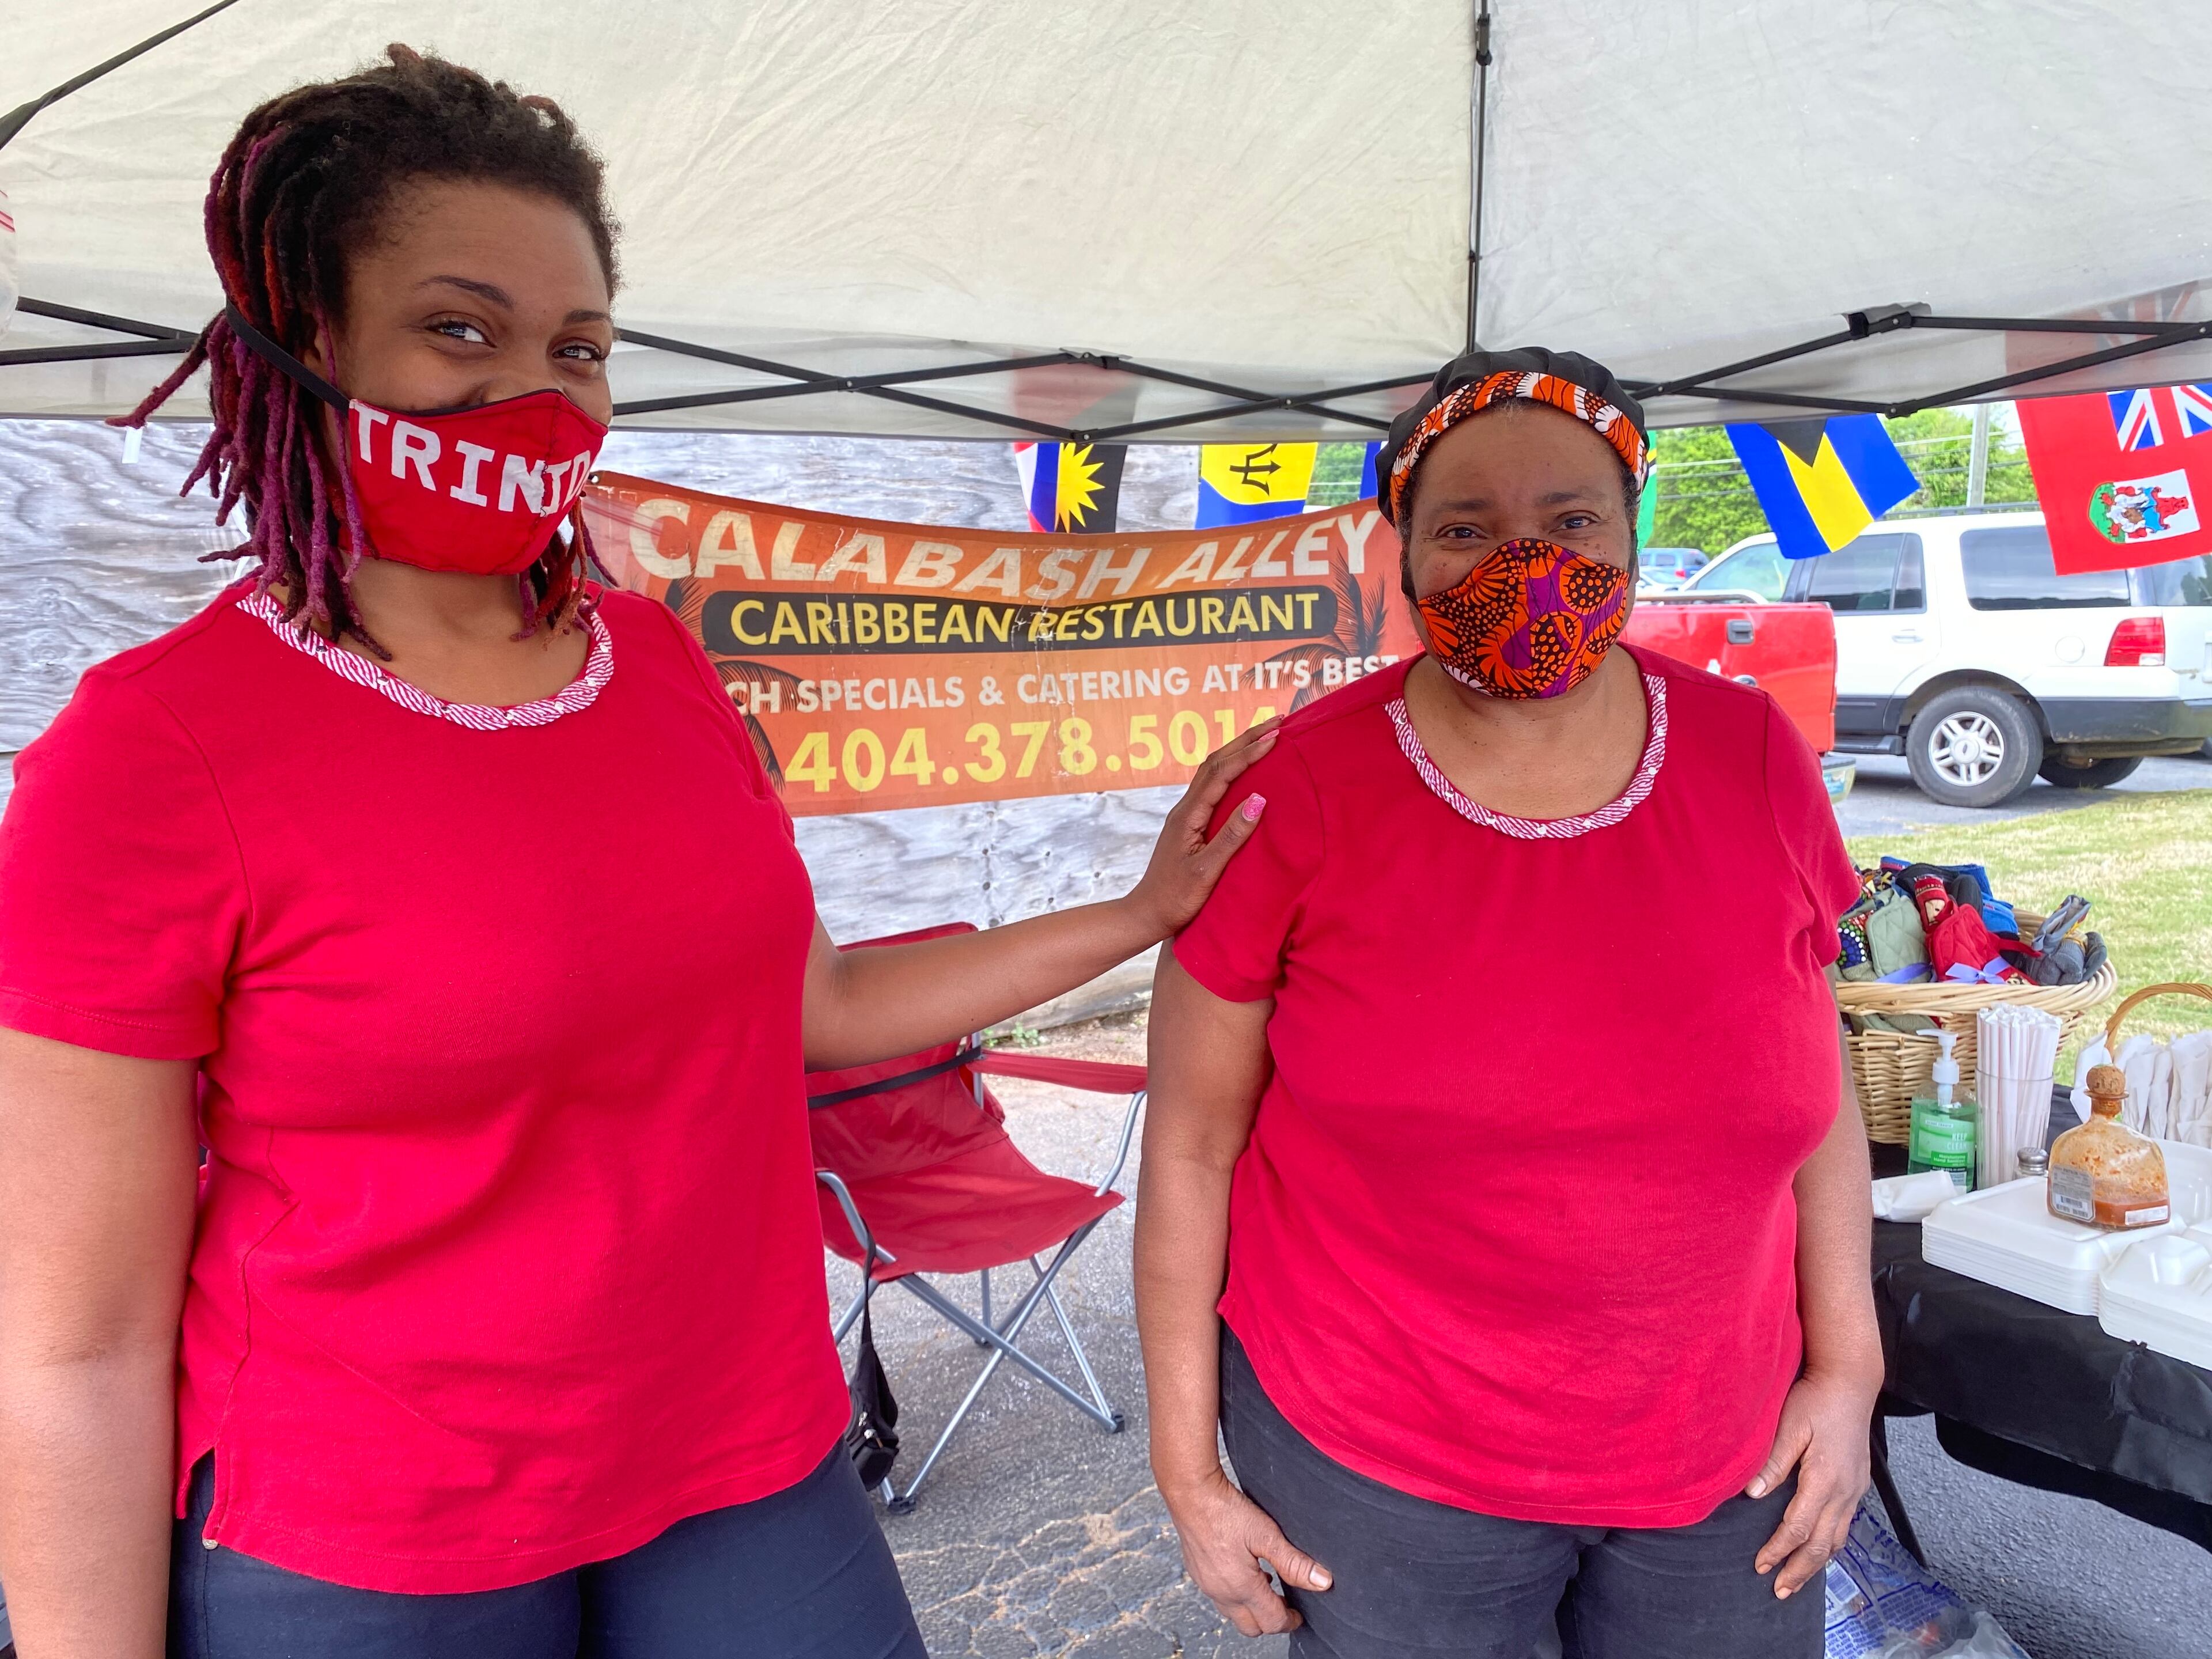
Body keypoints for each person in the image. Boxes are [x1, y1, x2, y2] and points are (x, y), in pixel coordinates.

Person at [0, 49, 1272, 1659]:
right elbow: (76, 1345)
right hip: (370, 1535)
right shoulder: (151, 754)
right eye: (459, 328)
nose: (536, 390)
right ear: (304, 340)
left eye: (579, 345)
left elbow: (813, 1005)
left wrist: (1143, 909)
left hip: (744, 1461)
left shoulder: (662, 670)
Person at [1134, 349, 1880, 1658]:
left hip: (1728, 1460)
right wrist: (1186, 1465)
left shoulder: (1753, 756)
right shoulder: (1292, 793)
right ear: (1402, 549)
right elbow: (1192, 1146)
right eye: (1465, 529)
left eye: (1570, 522)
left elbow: (1812, 1098)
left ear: (1635, 530)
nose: (1521, 567)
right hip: (1386, 1475)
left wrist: (1849, 1369)